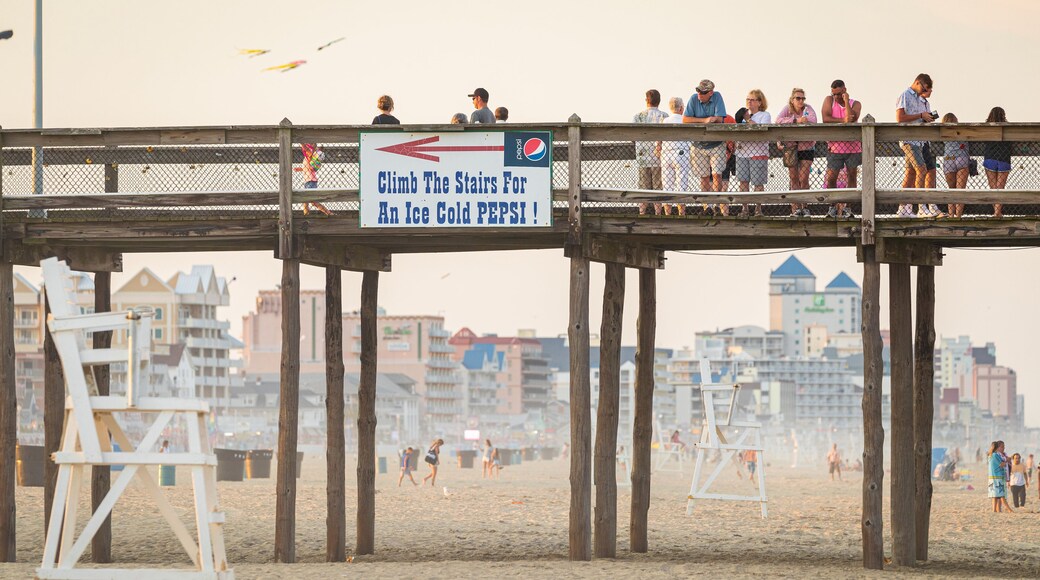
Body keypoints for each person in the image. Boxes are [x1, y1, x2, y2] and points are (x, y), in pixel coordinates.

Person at [896, 73, 943, 218]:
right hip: (909, 140)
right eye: (924, 88)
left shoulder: (919, 99)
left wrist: (925, 118)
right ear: (918, 83)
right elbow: (900, 118)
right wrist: (921, 116)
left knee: (910, 175)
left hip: (920, 140)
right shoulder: (905, 95)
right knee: (921, 169)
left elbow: (918, 118)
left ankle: (903, 209)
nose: (924, 91)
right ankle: (921, 206)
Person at [682, 79, 729, 214]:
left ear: (710, 93)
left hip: (716, 143)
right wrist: (705, 120)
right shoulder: (693, 99)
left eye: (702, 92)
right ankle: (706, 207)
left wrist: (713, 119)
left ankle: (716, 205)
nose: (699, 94)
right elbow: (685, 119)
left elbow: (720, 118)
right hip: (698, 145)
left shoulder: (717, 96)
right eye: (698, 90)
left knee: (717, 175)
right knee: (703, 176)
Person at [821, 80, 862, 218]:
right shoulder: (829, 100)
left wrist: (846, 102)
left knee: (852, 176)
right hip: (835, 146)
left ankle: (848, 208)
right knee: (831, 177)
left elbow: (852, 118)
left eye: (839, 94)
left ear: (845, 90)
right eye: (834, 94)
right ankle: (832, 206)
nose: (836, 97)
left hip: (852, 146)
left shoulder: (855, 103)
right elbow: (825, 118)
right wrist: (842, 120)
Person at [775, 88, 818, 217]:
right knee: (793, 178)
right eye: (798, 98)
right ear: (792, 99)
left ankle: (805, 206)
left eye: (803, 98)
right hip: (791, 147)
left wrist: (803, 119)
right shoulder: (787, 109)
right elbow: (778, 120)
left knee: (803, 178)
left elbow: (813, 119)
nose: (801, 101)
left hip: (807, 146)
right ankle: (795, 208)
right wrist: (795, 120)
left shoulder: (808, 108)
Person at [735, 90, 771, 217]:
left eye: (752, 99)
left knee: (758, 182)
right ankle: (745, 209)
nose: (749, 102)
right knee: (743, 182)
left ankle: (758, 209)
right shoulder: (744, 118)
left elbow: (760, 131)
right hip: (742, 153)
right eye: (747, 99)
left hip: (758, 152)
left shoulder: (764, 115)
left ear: (759, 102)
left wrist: (748, 119)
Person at [633, 89, 669, 215]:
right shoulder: (664, 117)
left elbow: (633, 135)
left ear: (646, 100)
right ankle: (658, 213)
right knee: (658, 186)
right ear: (659, 101)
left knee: (643, 186)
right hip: (659, 157)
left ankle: (642, 212)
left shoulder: (638, 117)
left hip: (642, 156)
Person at [660, 96, 691, 216]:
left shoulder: (665, 120)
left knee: (667, 184)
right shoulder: (685, 120)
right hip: (681, 152)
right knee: (681, 183)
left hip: (667, 153)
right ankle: (681, 213)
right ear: (681, 108)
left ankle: (667, 213)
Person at [940, 113, 970, 218]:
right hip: (962, 157)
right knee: (960, 190)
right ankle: (958, 216)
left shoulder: (943, 132)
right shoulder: (962, 131)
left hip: (949, 159)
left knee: (951, 189)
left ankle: (951, 214)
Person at [984, 106, 1012, 218]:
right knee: (1000, 188)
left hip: (990, 158)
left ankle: (996, 212)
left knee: (993, 187)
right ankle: (997, 212)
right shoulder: (1008, 127)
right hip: (1004, 159)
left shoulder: (986, 128)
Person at [300, 143, 332, 216]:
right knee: (310, 201)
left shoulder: (310, 155)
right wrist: (300, 169)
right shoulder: (309, 158)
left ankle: (306, 214)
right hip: (308, 181)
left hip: (310, 181)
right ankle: (328, 213)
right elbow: (307, 168)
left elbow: (306, 148)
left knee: (308, 200)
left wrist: (301, 143)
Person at [988, 441, 1011, 512]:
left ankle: (995, 510)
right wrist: (1007, 460)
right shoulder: (995, 455)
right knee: (1001, 495)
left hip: (993, 477)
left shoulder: (991, 455)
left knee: (995, 495)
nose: (1004, 448)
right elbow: (1001, 464)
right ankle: (1009, 510)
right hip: (997, 477)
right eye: (1002, 447)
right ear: (997, 447)